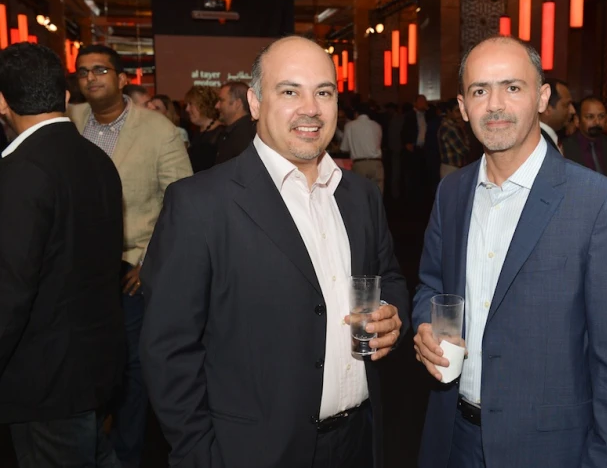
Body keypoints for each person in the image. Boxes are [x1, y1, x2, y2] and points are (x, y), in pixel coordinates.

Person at [140, 36, 409, 468]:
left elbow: (390, 276)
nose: (311, 108)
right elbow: (168, 349)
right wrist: (199, 453)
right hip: (252, 452)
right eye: (290, 91)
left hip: (360, 440)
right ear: (255, 102)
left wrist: (392, 314)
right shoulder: (200, 204)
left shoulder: (360, 196)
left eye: (324, 92)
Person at [412, 36, 607, 468]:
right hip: (453, 436)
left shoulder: (597, 203)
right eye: (480, 91)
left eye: (513, 87)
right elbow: (430, 283)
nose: (495, 105)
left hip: (549, 450)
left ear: (542, 98)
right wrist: (427, 326)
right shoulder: (452, 192)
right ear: (463, 107)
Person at [0, 43, 125, 467]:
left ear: (2, 101)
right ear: (66, 94)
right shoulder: (97, 159)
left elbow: (10, 291)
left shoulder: (21, 171)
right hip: (95, 366)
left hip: (44, 381)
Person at [69, 44, 193, 468]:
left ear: (123, 79)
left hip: (131, 270)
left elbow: (182, 205)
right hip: (78, 272)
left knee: (132, 371)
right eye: (83, 71)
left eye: (101, 69)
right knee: (84, 363)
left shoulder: (158, 131)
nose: (91, 78)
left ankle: (127, 454)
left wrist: (151, 261)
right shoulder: (68, 124)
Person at [562, 95, 607, 194]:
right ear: (577, 120)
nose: (597, 122)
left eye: (601, 116)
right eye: (590, 117)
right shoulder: (564, 149)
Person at [341, 103, 384, 193]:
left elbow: (344, 148)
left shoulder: (350, 126)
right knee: (377, 196)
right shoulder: (377, 125)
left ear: (356, 113)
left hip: (360, 164)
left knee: (360, 195)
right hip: (377, 163)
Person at [214, 81, 255, 165]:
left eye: (221, 100)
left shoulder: (245, 135)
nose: (217, 106)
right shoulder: (232, 132)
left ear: (237, 104)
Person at [538, 77, 575, 150]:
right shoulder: (539, 143)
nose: (572, 110)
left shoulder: (549, 139)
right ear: (547, 108)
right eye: (566, 105)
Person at [437, 98, 470, 179]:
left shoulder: (453, 126)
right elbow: (464, 150)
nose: (460, 114)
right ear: (449, 112)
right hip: (451, 168)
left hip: (453, 167)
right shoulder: (448, 128)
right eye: (457, 111)